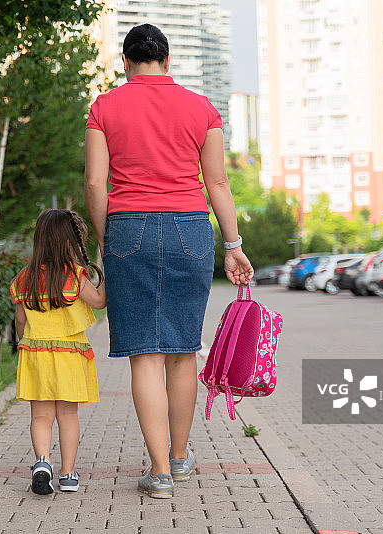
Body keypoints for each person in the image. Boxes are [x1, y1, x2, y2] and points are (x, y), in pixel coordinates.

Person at [84, 23, 253, 499]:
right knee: (182, 351)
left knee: (144, 354)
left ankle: (158, 471)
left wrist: (106, 237)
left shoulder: (104, 108)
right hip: (191, 230)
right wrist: (233, 244)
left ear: (125, 62)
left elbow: (96, 185)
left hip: (128, 227)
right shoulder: (202, 108)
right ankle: (179, 459)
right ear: (168, 60)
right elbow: (217, 183)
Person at [9, 209, 106, 495]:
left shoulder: (24, 279)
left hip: (36, 352)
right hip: (70, 355)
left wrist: (24, 341)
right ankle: (68, 474)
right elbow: (99, 302)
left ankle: (42, 462)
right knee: (67, 415)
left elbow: (20, 321)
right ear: (69, 242)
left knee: (40, 416)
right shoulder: (74, 276)